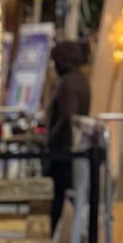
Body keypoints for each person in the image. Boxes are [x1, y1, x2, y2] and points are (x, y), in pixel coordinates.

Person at [45, 39, 90, 233]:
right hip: (69, 149)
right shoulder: (79, 79)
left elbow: (66, 116)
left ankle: (50, 234)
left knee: (55, 196)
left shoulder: (69, 83)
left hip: (63, 151)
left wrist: (52, 140)